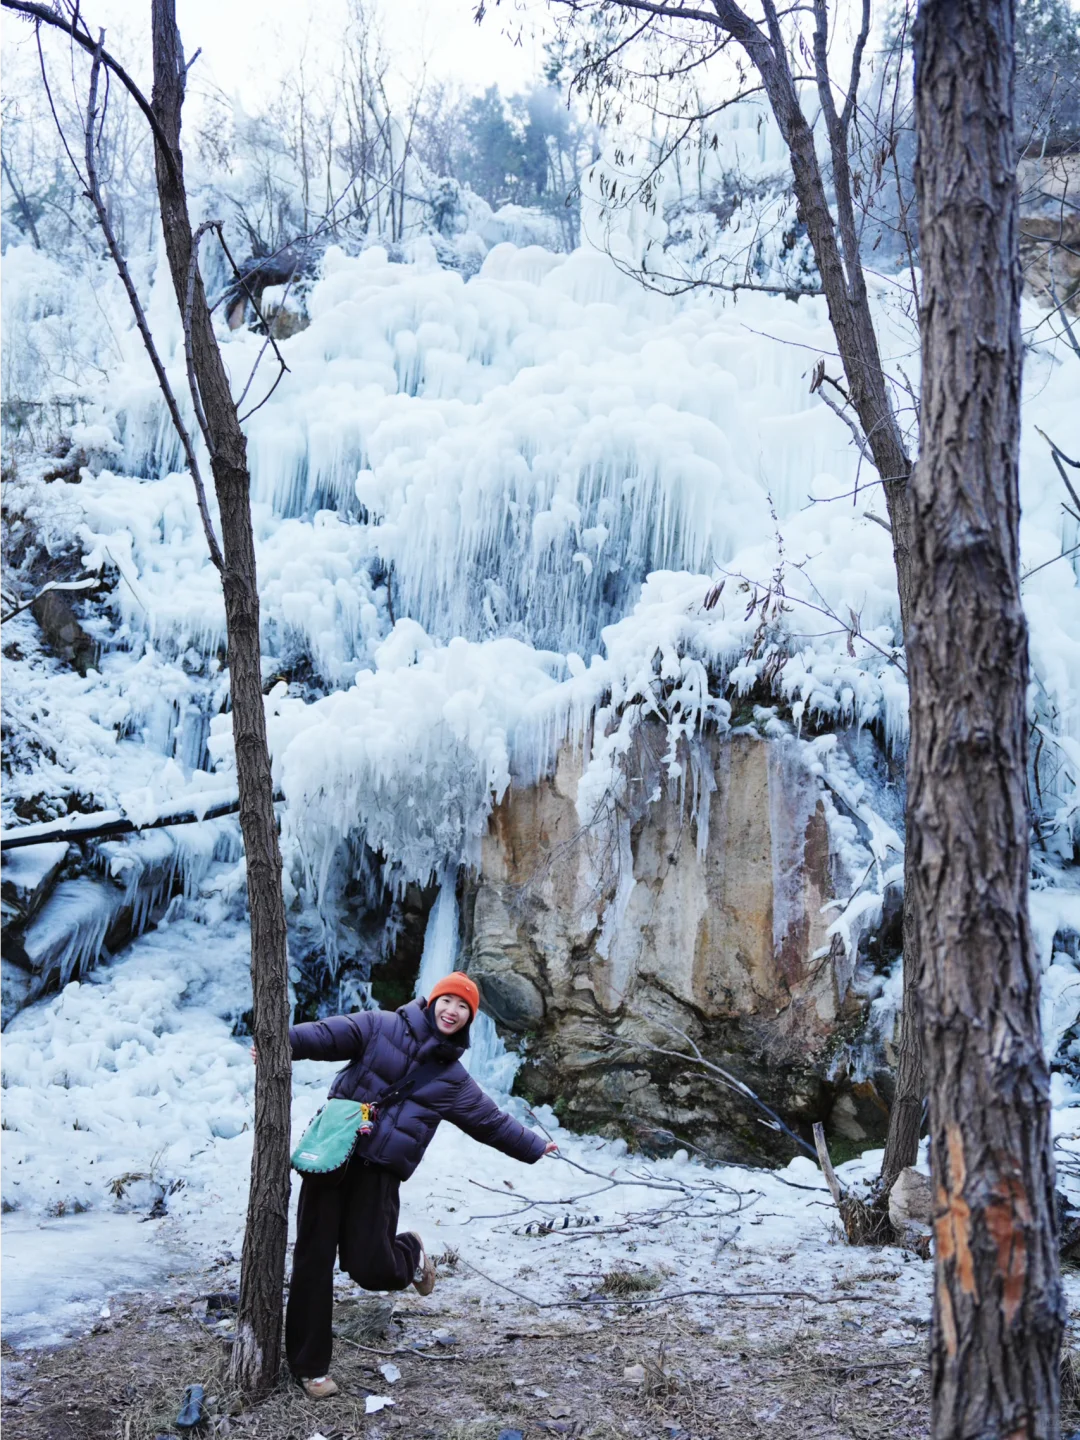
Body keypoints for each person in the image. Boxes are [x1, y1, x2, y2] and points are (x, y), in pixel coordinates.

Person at [257, 970, 558, 1399]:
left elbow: (490, 1122)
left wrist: (533, 1146)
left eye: (463, 1008)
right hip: (332, 1157)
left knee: (370, 1268)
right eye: (448, 1001)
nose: (452, 1011)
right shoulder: (380, 1025)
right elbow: (327, 1035)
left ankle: (410, 1250)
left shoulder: (452, 1080)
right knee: (312, 1260)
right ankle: (311, 1368)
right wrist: (277, 1042)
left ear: (469, 1018)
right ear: (432, 1000)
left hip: (378, 1175)